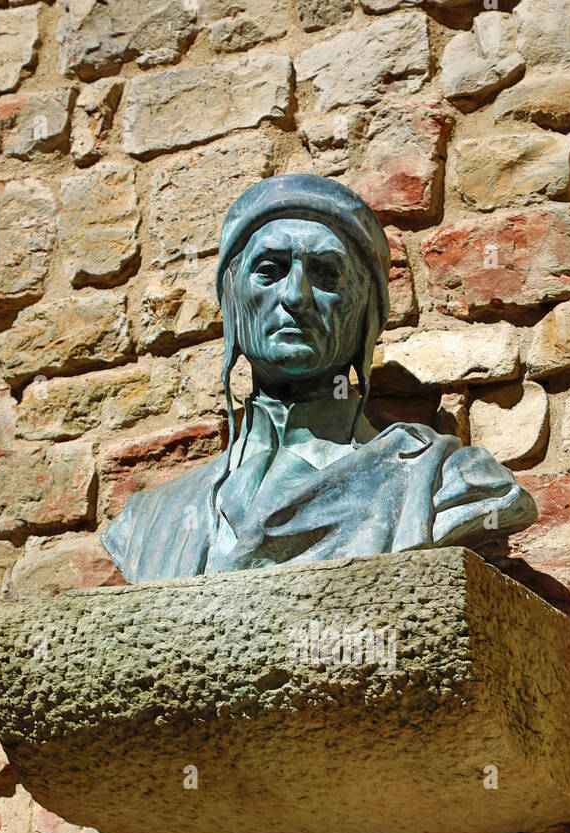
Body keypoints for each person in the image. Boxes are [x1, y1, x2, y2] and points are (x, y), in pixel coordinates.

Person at [100, 174, 537, 582]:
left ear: (368, 311)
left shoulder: (447, 482)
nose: (295, 296)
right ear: (231, 298)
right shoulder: (151, 519)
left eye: (326, 274)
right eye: (268, 270)